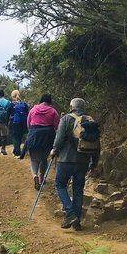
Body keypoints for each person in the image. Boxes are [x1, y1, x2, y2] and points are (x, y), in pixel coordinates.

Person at [50, 97, 100, 230]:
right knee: (78, 189)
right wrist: (94, 162)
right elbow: (96, 143)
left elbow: (59, 138)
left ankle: (70, 212)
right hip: (83, 160)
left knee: (60, 185)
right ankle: (77, 222)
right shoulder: (90, 120)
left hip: (66, 159)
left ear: (71, 106)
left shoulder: (66, 119)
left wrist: (54, 150)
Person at [23, 94, 59, 190]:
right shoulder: (53, 111)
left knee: (34, 160)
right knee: (44, 159)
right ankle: (42, 178)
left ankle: (35, 175)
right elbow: (57, 126)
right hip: (47, 138)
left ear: (41, 100)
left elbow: (28, 125)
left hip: (34, 136)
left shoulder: (33, 110)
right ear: (49, 102)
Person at [8, 89, 29, 158]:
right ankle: (17, 151)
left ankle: (17, 153)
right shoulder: (24, 104)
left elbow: (8, 114)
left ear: (12, 96)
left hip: (15, 123)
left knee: (15, 137)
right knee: (20, 137)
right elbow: (27, 113)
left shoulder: (11, 105)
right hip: (23, 123)